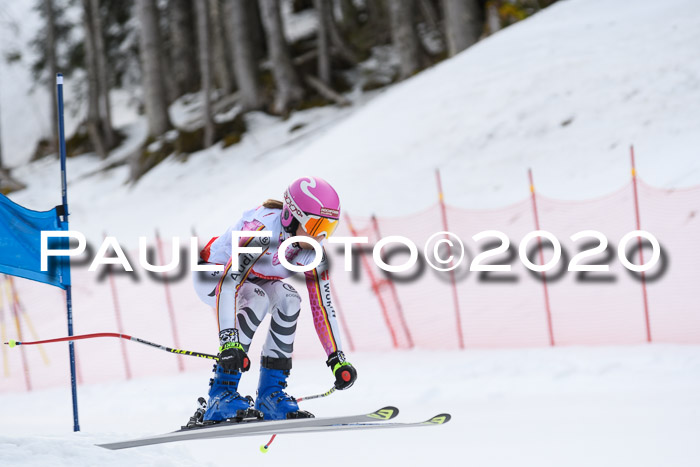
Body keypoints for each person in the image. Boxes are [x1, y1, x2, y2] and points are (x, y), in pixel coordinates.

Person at [192, 176, 357, 422]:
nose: (320, 236)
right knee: (257, 300)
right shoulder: (260, 233)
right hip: (213, 274)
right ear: (292, 217)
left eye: (328, 229)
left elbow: (322, 306)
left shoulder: (312, 252)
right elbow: (229, 284)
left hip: (252, 278)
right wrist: (229, 342)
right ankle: (221, 393)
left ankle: (271, 394)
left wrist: (337, 358)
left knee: (291, 299)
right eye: (315, 227)